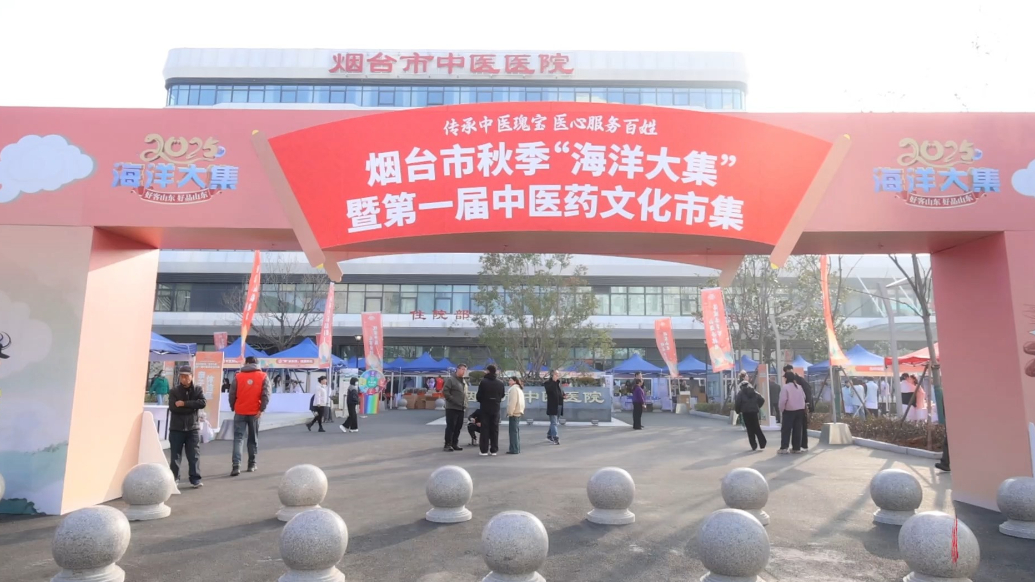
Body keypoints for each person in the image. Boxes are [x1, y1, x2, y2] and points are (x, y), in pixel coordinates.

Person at [229, 356, 270, 476]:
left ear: (246, 363)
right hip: (255, 412)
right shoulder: (263, 376)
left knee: (238, 439)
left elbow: (232, 394)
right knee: (252, 438)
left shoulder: (238, 376)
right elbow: (266, 394)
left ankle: (236, 466)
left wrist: (233, 407)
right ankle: (252, 464)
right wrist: (262, 409)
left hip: (240, 411)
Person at [168, 365, 206, 488]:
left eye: (186, 376)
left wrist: (184, 403)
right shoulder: (174, 391)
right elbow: (173, 408)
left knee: (194, 455)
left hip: (192, 428)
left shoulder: (197, 389)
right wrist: (192, 407)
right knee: (175, 455)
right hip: (176, 428)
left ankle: (195, 479)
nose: (184, 379)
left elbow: (202, 403)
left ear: (192, 376)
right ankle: (174, 479)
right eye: (181, 376)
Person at [476, 364, 506, 456]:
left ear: (488, 371)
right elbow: (502, 395)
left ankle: (484, 450)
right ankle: (494, 450)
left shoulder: (483, 382)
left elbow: (479, 396)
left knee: (485, 429)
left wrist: (483, 401)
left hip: (485, 407)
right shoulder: (500, 383)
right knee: (495, 429)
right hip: (496, 407)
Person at [782, 365, 813, 451]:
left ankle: (801, 445)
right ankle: (798, 447)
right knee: (799, 428)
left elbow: (806, 393)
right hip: (801, 407)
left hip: (797, 408)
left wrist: (807, 404)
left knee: (797, 428)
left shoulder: (797, 381)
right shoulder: (799, 380)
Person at [734, 371, 767, 451]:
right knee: (757, 427)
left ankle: (753, 445)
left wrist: (738, 411)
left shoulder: (740, 393)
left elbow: (737, 403)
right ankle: (762, 443)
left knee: (749, 429)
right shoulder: (754, 391)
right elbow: (762, 399)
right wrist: (757, 406)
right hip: (754, 412)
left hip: (745, 413)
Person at [778, 371, 807, 454]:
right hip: (800, 410)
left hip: (789, 411)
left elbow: (783, 400)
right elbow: (804, 397)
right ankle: (796, 448)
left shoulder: (785, 387)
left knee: (786, 430)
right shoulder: (799, 387)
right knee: (797, 429)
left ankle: (784, 447)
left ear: (786, 378)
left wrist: (782, 409)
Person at [442, 364, 469, 451]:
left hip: (461, 407)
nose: (464, 371)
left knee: (458, 427)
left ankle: (455, 443)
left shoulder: (463, 381)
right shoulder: (451, 380)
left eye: (465, 370)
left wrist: (465, 404)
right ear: (457, 369)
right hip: (452, 407)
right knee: (451, 426)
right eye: (462, 369)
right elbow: (445, 391)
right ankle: (447, 444)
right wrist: (452, 399)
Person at [506, 376, 526, 454]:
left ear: (514, 381)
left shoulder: (513, 389)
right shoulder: (519, 389)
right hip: (518, 412)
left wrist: (510, 412)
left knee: (513, 432)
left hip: (514, 413)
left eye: (510, 380)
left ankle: (514, 449)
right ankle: (516, 448)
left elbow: (512, 402)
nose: (509, 382)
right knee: (516, 432)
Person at [544, 370, 563, 444]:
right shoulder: (548, 383)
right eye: (556, 374)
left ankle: (549, 435)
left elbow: (560, 393)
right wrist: (554, 381)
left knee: (554, 422)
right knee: (554, 422)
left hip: (559, 405)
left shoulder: (558, 383)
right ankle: (555, 438)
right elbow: (549, 390)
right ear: (552, 375)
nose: (557, 376)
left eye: (558, 374)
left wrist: (563, 395)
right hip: (552, 406)